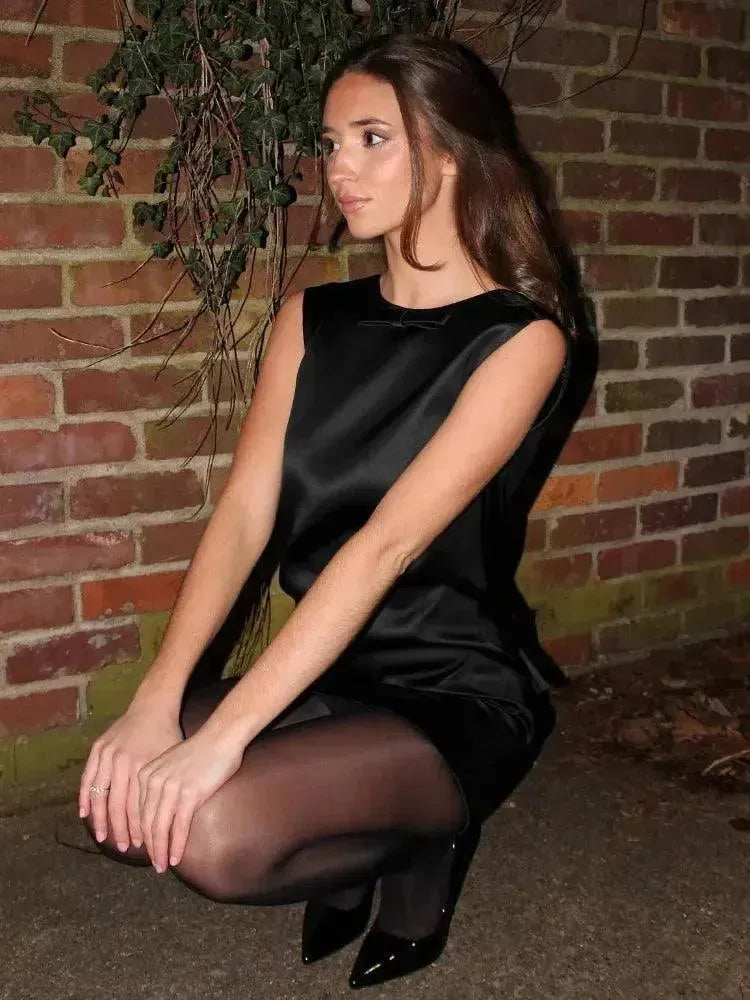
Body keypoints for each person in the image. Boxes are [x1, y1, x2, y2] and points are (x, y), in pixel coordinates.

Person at [77, 31, 577, 990]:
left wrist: (220, 737)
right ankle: (371, 821)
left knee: (216, 836)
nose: (338, 167)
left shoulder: (521, 340)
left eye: (371, 138)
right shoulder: (313, 318)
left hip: (446, 683)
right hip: (320, 667)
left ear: (450, 153)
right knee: (120, 807)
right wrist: (154, 704)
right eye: (330, 141)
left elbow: (386, 546)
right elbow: (243, 515)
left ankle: (419, 839)